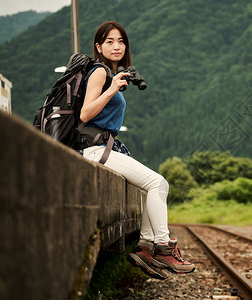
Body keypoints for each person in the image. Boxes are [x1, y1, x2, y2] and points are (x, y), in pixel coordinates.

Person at [80, 21, 195, 280]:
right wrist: (111, 89)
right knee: (158, 182)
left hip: (103, 148)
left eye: (121, 41)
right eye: (109, 41)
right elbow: (85, 113)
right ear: (98, 46)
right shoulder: (99, 72)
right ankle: (163, 247)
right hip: (95, 151)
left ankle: (144, 248)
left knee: (149, 188)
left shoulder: (111, 73)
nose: (116, 46)